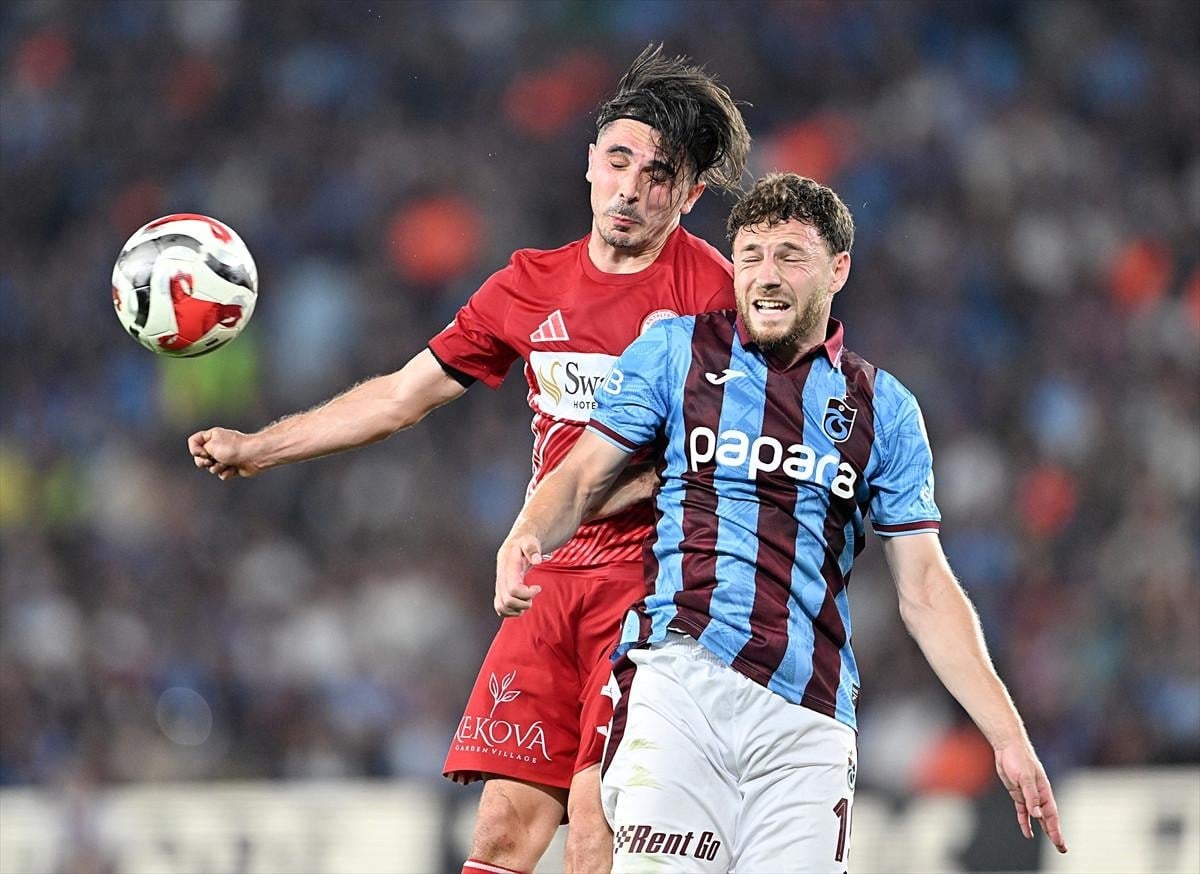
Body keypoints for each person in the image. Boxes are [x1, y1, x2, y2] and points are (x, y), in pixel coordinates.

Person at [187, 45, 750, 874]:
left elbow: (736, 454)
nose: (631, 188)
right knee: (501, 832)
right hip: (547, 581)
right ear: (588, 162)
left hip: (658, 586)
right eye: (618, 160)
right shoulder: (529, 284)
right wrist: (259, 447)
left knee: (597, 822)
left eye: (658, 174)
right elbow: (399, 396)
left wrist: (581, 504)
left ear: (691, 194)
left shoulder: (717, 299)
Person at [494, 173, 1069, 872]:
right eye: (751, 255)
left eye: (790, 256)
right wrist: (527, 533)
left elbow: (925, 587)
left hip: (809, 721)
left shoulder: (883, 408)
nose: (766, 275)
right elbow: (583, 474)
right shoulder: (675, 351)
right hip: (680, 685)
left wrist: (1006, 735)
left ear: (838, 270)